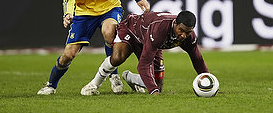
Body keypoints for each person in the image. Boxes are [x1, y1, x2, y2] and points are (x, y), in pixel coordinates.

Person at [81, 10, 209, 95]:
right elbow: (143, 64)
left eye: (188, 32)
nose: (183, 35)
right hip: (132, 30)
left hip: (150, 40)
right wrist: (153, 92)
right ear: (175, 23)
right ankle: (93, 84)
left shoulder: (189, 37)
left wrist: (208, 82)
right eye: (181, 30)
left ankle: (131, 78)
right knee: (118, 57)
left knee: (159, 85)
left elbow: (197, 59)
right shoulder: (160, 30)